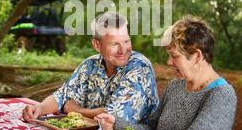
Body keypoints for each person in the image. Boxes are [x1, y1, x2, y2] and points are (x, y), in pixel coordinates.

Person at [96, 15, 237, 130]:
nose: (169, 62)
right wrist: (116, 123)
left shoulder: (222, 95)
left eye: (174, 56)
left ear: (197, 56)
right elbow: (151, 128)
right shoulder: (174, 86)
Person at [22, 12, 159, 123]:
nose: (123, 50)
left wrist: (74, 110)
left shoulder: (140, 66)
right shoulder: (90, 64)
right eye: (114, 44)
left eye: (126, 41)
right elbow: (62, 96)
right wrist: (39, 108)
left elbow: (113, 117)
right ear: (97, 45)